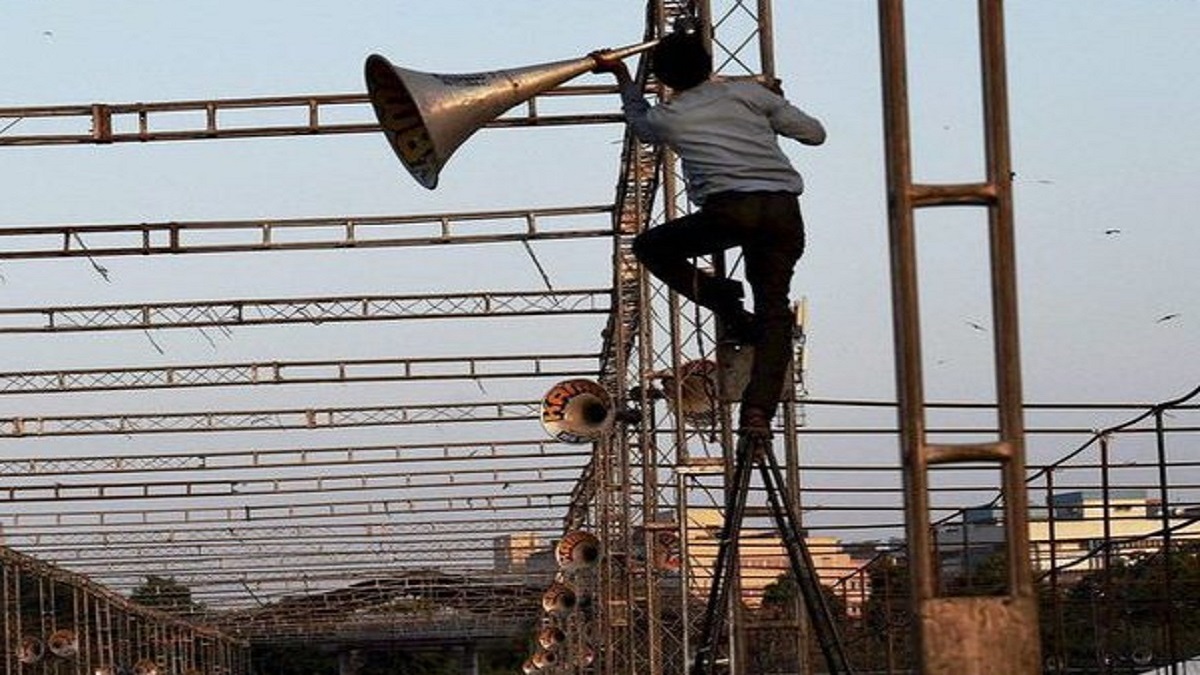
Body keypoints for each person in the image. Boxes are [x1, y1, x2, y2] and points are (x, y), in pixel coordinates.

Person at [591, 29, 826, 438]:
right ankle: (757, 412)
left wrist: (622, 77)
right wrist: (771, 107)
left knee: (651, 247)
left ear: (663, 78)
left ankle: (724, 301)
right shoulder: (750, 96)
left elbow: (638, 122)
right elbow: (814, 134)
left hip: (729, 211)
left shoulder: (669, 116)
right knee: (774, 308)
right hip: (783, 211)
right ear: (708, 65)